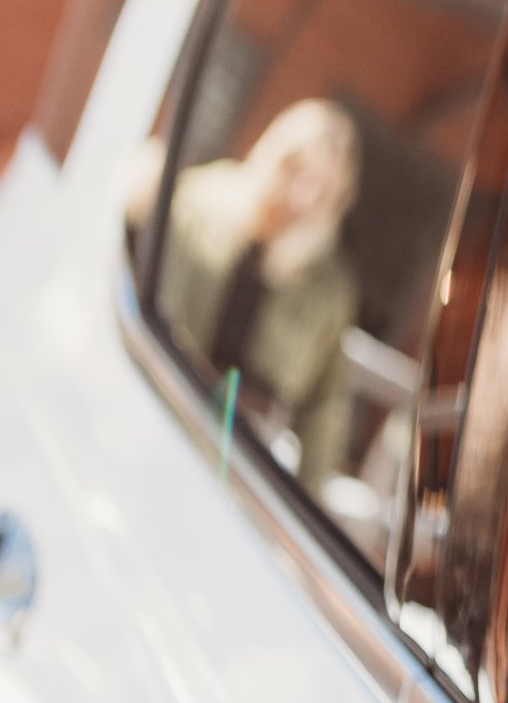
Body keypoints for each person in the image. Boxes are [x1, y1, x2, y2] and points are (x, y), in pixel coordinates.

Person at [131, 98, 363, 490]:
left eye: (322, 189)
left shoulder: (329, 290)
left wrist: (308, 501)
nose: (302, 198)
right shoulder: (198, 206)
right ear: (274, 157)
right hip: (155, 407)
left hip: (234, 461)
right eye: (297, 173)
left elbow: (326, 404)